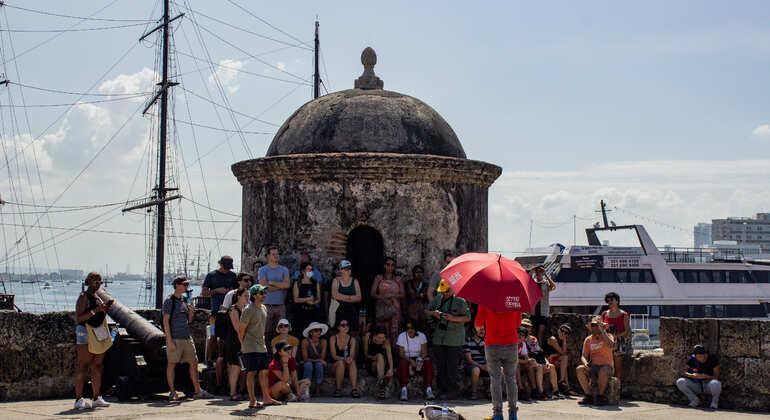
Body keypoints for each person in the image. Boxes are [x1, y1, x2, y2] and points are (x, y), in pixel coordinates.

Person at [163, 276, 212, 401]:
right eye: (185, 284)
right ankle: (172, 392)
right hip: (175, 337)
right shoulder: (169, 301)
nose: (187, 287)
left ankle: (197, 390)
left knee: (194, 362)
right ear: (177, 285)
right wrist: (169, 340)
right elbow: (166, 321)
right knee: (172, 364)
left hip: (186, 336)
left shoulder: (184, 300)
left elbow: (189, 321)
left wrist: (191, 311)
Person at [475, 304, 522, 420]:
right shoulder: (515, 299)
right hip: (511, 343)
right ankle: (513, 413)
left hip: (492, 343)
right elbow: (518, 324)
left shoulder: (486, 300)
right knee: (511, 379)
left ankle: (497, 414)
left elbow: (478, 324)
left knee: (495, 379)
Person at [426, 279, 470, 400]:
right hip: (439, 338)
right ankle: (442, 390)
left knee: (452, 367)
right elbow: (426, 312)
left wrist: (452, 318)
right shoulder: (437, 299)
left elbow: (467, 318)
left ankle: (452, 391)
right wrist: (433, 313)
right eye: (442, 291)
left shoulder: (460, 301)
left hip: (454, 339)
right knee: (441, 366)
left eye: (446, 291)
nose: (444, 293)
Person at [73, 272, 112, 410]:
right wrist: (96, 310)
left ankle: (96, 397)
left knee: (97, 366)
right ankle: (78, 399)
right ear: (89, 282)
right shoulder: (84, 297)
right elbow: (79, 318)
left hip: (98, 332)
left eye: (100, 283)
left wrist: (104, 309)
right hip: (85, 332)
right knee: (83, 365)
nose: (98, 285)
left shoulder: (97, 297)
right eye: (96, 283)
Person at [239, 284, 279, 408]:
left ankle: (266, 398)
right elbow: (241, 331)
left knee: (264, 372)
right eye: (261, 293)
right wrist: (243, 346)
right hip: (250, 346)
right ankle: (252, 400)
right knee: (251, 373)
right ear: (254, 295)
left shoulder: (264, 308)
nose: (264, 295)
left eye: (264, 293)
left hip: (261, 346)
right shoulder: (248, 309)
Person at [202, 255, 237, 390]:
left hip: (229, 311)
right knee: (213, 335)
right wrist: (217, 290)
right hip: (216, 311)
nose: (227, 270)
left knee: (225, 337)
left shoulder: (232, 276)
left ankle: (222, 356)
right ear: (221, 265)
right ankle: (210, 359)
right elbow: (204, 292)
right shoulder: (211, 276)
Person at [576, 316, 615, 406]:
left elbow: (611, 345)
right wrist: (585, 363)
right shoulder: (588, 339)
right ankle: (588, 395)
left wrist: (603, 331)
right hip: (593, 366)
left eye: (597, 325)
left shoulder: (608, 336)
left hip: (607, 366)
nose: (595, 327)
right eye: (593, 325)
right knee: (579, 369)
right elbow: (584, 355)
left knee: (603, 371)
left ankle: (600, 396)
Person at [396, 319, 435, 401]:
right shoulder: (402, 336)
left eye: (412, 328)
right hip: (407, 358)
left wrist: (420, 358)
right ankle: (404, 389)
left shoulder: (422, 336)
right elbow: (401, 354)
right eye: (408, 328)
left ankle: (428, 389)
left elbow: (424, 352)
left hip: (419, 358)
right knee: (402, 363)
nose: (410, 330)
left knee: (427, 362)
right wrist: (410, 361)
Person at [258, 246, 291, 341]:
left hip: (280, 305)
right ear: (268, 256)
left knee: (282, 331)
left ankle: (279, 353)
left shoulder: (284, 269)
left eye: (277, 254)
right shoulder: (263, 270)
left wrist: (272, 283)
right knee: (265, 331)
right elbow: (263, 287)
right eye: (273, 254)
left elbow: (287, 285)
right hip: (266, 305)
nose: (276, 256)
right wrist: (280, 285)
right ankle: (265, 354)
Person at [675, 344, 721, 409]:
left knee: (716, 384)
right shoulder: (693, 360)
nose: (702, 358)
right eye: (699, 357)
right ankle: (695, 400)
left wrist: (706, 376)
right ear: (696, 356)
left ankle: (714, 403)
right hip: (696, 384)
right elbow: (682, 372)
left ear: (706, 354)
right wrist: (693, 375)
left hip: (708, 385)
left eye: (703, 356)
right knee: (680, 382)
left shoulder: (712, 359)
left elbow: (716, 376)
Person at [522, 318, 558, 399]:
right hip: (527, 361)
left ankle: (556, 391)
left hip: (536, 360)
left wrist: (547, 362)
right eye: (524, 326)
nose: (526, 328)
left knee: (551, 366)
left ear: (530, 328)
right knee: (539, 367)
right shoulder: (520, 338)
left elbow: (540, 352)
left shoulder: (534, 339)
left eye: (528, 326)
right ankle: (540, 391)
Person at [371, 256, 403, 343]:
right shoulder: (379, 278)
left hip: (395, 307)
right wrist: (384, 299)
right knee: (382, 329)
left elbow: (403, 294)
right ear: (384, 266)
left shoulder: (398, 279)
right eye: (388, 264)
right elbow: (373, 293)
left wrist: (392, 295)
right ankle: (383, 351)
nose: (390, 267)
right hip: (382, 306)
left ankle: (394, 352)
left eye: (392, 265)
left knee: (394, 329)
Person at [224, 287, 248, 401]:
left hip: (243, 340)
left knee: (242, 367)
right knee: (235, 367)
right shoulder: (233, 309)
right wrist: (242, 344)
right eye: (245, 296)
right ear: (239, 296)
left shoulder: (244, 309)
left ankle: (240, 390)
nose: (247, 298)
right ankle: (232, 392)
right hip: (235, 341)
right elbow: (238, 329)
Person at [602, 292, 631, 381]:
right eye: (608, 301)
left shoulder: (623, 315)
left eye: (611, 300)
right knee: (607, 365)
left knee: (617, 367)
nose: (609, 302)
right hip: (607, 341)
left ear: (617, 301)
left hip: (618, 342)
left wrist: (615, 336)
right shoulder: (604, 314)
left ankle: (616, 389)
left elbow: (627, 331)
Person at [329, 318, 360, 398]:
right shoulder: (333, 338)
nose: (345, 327)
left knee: (352, 361)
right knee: (341, 363)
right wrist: (344, 359)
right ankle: (338, 389)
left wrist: (349, 359)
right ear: (338, 327)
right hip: (335, 365)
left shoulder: (352, 339)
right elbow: (334, 356)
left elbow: (352, 355)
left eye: (347, 325)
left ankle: (354, 389)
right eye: (343, 325)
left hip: (348, 364)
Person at [331, 260, 362, 333]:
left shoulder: (355, 281)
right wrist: (351, 297)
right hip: (339, 310)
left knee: (353, 332)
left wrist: (342, 297)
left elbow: (359, 297)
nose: (348, 271)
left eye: (349, 268)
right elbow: (334, 295)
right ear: (341, 270)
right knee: (339, 332)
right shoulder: (336, 280)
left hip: (351, 311)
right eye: (346, 268)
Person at [364, 325, 395, 399]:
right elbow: (366, 354)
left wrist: (391, 368)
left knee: (380, 356)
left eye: (383, 338)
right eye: (379, 338)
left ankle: (381, 383)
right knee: (379, 356)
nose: (381, 340)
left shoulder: (386, 341)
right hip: (371, 363)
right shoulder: (368, 337)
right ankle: (382, 384)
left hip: (383, 365)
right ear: (375, 335)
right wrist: (374, 357)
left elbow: (390, 357)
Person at [528, 265, 556, 345]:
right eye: (537, 272)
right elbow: (526, 280)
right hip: (533, 311)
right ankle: (531, 349)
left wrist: (546, 274)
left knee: (540, 332)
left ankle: (539, 349)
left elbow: (553, 286)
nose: (538, 273)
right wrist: (532, 271)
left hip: (543, 311)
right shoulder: (532, 282)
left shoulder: (545, 283)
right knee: (532, 332)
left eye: (540, 271)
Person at [544, 323, 574, 395]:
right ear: (558, 330)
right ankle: (563, 384)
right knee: (564, 362)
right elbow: (563, 352)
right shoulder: (553, 339)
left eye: (565, 332)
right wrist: (564, 340)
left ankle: (563, 383)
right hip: (546, 358)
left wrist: (564, 340)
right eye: (561, 330)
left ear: (567, 335)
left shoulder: (562, 339)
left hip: (553, 357)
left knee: (564, 361)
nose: (562, 333)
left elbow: (563, 353)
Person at [293, 262, 321, 336]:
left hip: (313, 311)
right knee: (300, 332)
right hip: (300, 312)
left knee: (313, 332)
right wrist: (308, 299)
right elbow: (296, 299)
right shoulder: (297, 283)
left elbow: (318, 298)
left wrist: (314, 303)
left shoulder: (315, 283)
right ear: (303, 271)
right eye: (308, 269)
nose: (310, 271)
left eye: (311, 270)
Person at [301, 321, 329, 397]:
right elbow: (305, 358)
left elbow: (322, 357)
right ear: (311, 333)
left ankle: (318, 387)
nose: (319, 332)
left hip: (318, 363)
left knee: (319, 365)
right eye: (316, 330)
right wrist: (319, 360)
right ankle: (306, 387)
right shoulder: (305, 342)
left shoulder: (323, 342)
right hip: (309, 362)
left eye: (320, 330)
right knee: (308, 365)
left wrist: (319, 360)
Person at [463, 325, 488, 400]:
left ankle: (490, 391)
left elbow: (488, 356)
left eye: (483, 329)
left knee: (500, 369)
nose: (482, 331)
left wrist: (487, 365)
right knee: (476, 370)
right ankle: (474, 393)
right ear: (474, 331)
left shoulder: (486, 341)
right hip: (471, 365)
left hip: (484, 365)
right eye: (480, 329)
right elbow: (469, 359)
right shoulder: (468, 341)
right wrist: (481, 366)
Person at [405, 265, 429, 333]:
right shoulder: (409, 283)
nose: (419, 274)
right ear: (413, 273)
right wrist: (420, 295)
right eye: (417, 272)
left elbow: (426, 295)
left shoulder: (425, 284)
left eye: (421, 272)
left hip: (422, 309)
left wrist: (418, 296)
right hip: (412, 308)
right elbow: (411, 295)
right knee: (413, 326)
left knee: (423, 327)